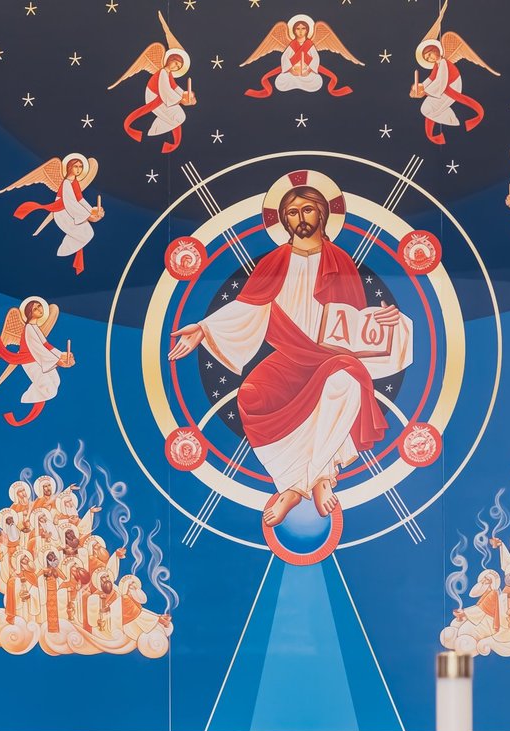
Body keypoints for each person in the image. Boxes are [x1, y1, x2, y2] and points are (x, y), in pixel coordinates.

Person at [168, 182, 413, 527]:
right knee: (251, 395)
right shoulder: (274, 261)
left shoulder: (341, 262)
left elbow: (357, 325)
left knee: (345, 381)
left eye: (308, 210)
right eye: (293, 212)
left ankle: (313, 480)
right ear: (283, 220)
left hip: (332, 355)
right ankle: (302, 483)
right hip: (289, 355)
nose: (301, 218)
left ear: (323, 214)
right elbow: (248, 308)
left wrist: (386, 318)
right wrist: (205, 328)